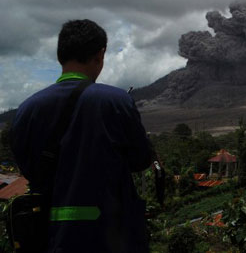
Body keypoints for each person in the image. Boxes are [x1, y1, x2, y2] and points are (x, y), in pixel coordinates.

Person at [11, 19, 152, 253]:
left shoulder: (27, 110)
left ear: (60, 55)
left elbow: (28, 168)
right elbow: (141, 160)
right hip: (110, 236)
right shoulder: (117, 102)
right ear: (100, 54)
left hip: (47, 236)